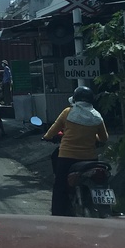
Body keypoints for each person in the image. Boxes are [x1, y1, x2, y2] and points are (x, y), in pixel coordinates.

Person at [42, 86, 108, 216]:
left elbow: (53, 130)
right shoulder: (97, 116)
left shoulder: (68, 112)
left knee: (60, 186)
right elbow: (104, 138)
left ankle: (58, 214)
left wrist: (46, 137)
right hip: (91, 159)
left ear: (75, 100)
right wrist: (92, 136)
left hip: (67, 157)